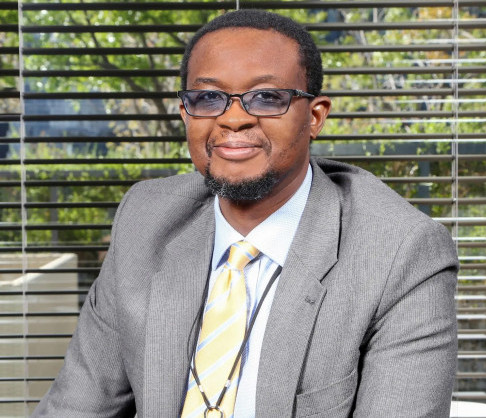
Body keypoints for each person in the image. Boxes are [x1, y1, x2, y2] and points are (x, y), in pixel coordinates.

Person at [33, 9, 458, 418]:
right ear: (186, 113)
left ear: (315, 117)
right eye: (208, 98)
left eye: (267, 97)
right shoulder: (145, 220)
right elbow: (77, 406)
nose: (234, 119)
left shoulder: (400, 253)